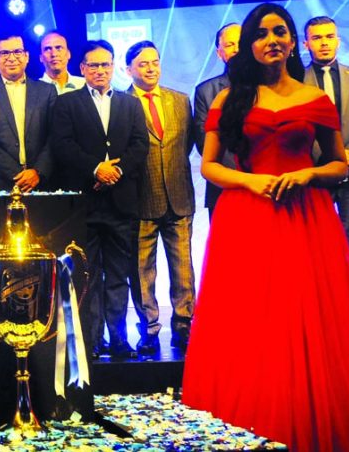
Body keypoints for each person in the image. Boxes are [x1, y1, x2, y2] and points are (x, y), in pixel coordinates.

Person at [182, 4, 349, 451]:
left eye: (281, 31)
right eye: (263, 33)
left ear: (293, 42)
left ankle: (310, 418)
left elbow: (334, 164)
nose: (273, 39)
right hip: (246, 217)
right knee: (252, 318)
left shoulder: (316, 100)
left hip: (306, 219)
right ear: (250, 44)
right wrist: (250, 180)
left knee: (307, 315)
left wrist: (309, 174)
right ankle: (250, 418)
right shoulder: (228, 99)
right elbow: (210, 166)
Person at [50, 40, 148, 360]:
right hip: (86, 203)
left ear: (114, 66)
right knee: (87, 275)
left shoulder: (130, 104)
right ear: (82, 69)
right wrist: (96, 169)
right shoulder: (67, 104)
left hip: (121, 203)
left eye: (105, 65)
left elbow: (139, 146)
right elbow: (63, 147)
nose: (100, 71)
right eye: (93, 65)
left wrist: (115, 173)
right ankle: (91, 341)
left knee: (119, 275)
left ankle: (119, 339)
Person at [303, 16, 349, 322]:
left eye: (328, 36)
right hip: (316, 176)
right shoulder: (295, 81)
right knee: (314, 252)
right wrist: (331, 158)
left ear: (338, 40)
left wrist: (348, 155)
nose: (323, 42)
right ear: (306, 43)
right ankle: (322, 314)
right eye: (317, 38)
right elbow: (297, 131)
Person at [123, 41, 196, 355]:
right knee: (142, 271)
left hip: (178, 195)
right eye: (143, 64)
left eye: (154, 62)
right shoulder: (121, 103)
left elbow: (188, 144)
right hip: (140, 200)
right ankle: (149, 328)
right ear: (129, 70)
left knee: (183, 268)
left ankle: (184, 325)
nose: (150, 68)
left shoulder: (180, 100)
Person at [0, 33, 56, 192]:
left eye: (17, 52)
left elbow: (54, 135)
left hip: (39, 182)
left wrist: (37, 172)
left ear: (27, 56)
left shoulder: (47, 91)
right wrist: (18, 174)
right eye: (4, 53)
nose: (12, 58)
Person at [194, 23, 240, 218]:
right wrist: (239, 176)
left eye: (241, 43)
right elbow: (204, 143)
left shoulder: (271, 86)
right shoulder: (206, 91)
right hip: (223, 188)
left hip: (266, 186)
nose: (237, 50)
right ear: (219, 53)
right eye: (230, 45)